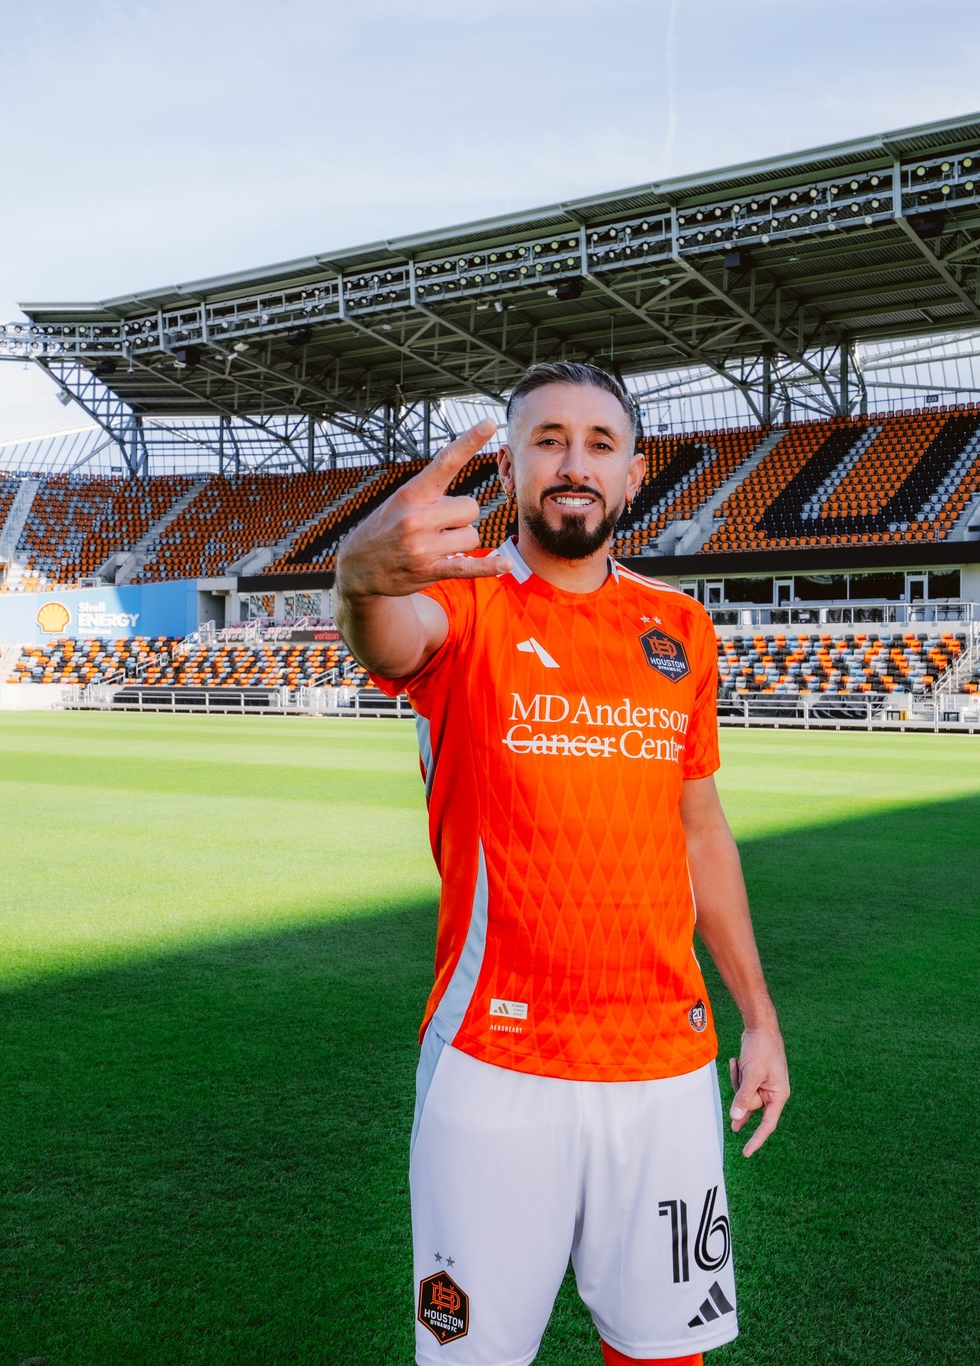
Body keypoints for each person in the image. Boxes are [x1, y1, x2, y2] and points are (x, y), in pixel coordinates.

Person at [335, 361, 790, 1366]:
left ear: (633, 473)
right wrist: (359, 578)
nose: (573, 462)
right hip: (497, 1064)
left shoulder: (679, 626)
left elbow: (701, 829)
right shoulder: (461, 603)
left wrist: (757, 1017)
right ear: (508, 468)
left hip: (665, 1066)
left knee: (662, 1354)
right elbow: (391, 639)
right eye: (547, 440)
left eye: (597, 443)